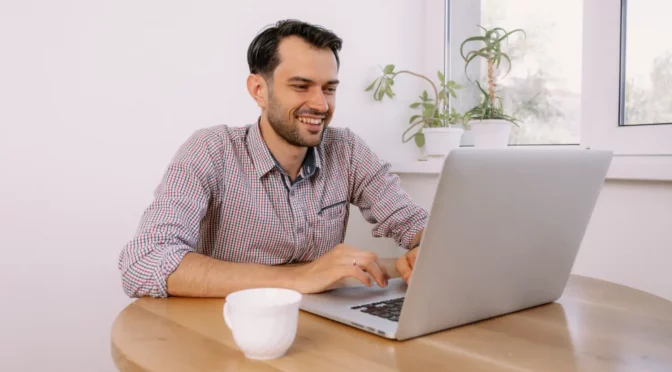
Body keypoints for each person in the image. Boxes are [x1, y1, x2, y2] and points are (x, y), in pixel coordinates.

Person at [118, 19, 428, 298]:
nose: (320, 105)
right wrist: (301, 277)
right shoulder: (211, 150)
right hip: (225, 334)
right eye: (301, 86)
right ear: (258, 90)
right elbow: (145, 261)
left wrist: (424, 249)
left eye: (329, 89)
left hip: (319, 332)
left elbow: (417, 225)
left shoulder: (346, 150)